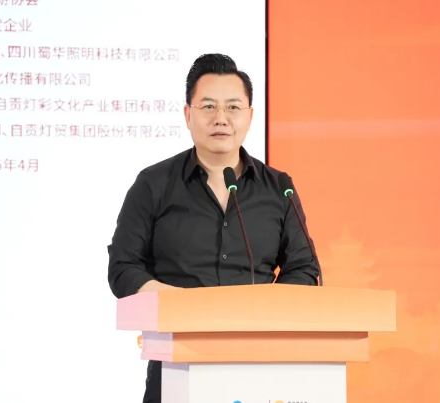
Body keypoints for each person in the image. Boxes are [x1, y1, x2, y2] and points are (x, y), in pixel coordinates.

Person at [107, 53, 318, 403]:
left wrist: (263, 310)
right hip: (176, 364)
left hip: (261, 365)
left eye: (233, 107)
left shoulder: (279, 188)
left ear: (250, 116)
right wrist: (181, 304)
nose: (221, 118)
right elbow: (123, 268)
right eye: (208, 106)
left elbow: (305, 269)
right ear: (187, 115)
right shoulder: (153, 184)